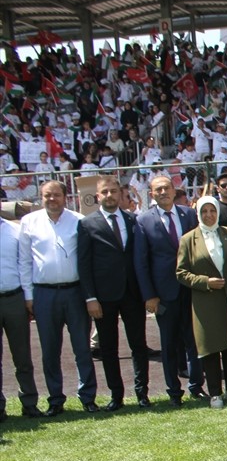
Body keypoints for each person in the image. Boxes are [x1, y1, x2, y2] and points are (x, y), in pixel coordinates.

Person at [18, 180, 99, 415]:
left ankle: (87, 397)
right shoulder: (28, 222)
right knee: (50, 350)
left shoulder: (78, 221)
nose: (51, 199)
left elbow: (85, 261)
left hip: (74, 292)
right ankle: (55, 399)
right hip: (43, 294)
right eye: (46, 196)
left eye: (56, 195)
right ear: (41, 197)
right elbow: (24, 261)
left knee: (82, 348)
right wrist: (28, 295)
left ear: (66, 197)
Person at [77, 175, 150, 411]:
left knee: (138, 345)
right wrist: (90, 298)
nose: (109, 195)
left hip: (132, 293)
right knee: (108, 348)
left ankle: (142, 393)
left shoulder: (132, 220)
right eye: (104, 192)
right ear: (97, 196)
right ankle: (116, 395)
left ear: (120, 194)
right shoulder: (88, 224)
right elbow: (84, 265)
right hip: (103, 297)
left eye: (113, 191)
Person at [135, 175, 206, 406]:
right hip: (164, 294)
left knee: (195, 341)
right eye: (158, 190)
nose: (163, 192)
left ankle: (197, 386)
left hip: (191, 290)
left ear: (175, 191)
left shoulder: (189, 215)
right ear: (152, 194)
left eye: (167, 188)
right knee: (168, 345)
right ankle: (174, 392)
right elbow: (141, 262)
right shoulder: (143, 220)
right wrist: (150, 296)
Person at [176, 196, 227, 408]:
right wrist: (205, 282)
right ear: (198, 214)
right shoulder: (188, 239)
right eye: (204, 211)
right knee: (210, 346)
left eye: (212, 210)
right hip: (205, 302)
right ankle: (215, 393)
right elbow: (181, 272)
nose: (209, 215)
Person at [0, 210, 40, 419]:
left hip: (14, 298)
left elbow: (25, 265)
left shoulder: (15, 231)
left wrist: (28, 298)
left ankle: (29, 402)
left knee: (22, 355)